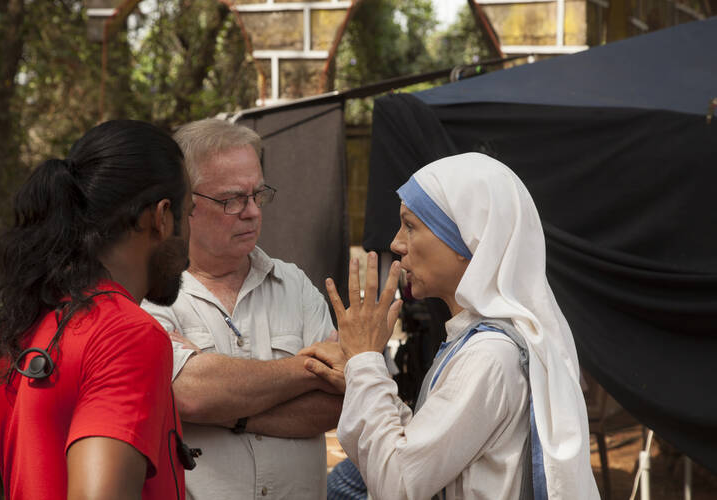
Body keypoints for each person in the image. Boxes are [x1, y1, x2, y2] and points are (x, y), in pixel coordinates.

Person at [302, 153, 600, 499]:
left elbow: (398, 484)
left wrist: (366, 362)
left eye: (410, 225)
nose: (397, 243)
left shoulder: (489, 356)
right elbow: (421, 451)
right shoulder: (478, 342)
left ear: (467, 241)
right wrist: (362, 377)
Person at [0, 120, 196, 499]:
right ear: (160, 217)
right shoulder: (128, 335)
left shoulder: (24, 321)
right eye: (189, 213)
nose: (190, 234)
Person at [142, 117, 342, 500]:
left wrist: (231, 410)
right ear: (186, 205)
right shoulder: (153, 294)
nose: (252, 211)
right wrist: (308, 369)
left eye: (258, 194)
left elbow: (337, 402)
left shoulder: (294, 285)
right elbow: (189, 393)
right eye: (232, 199)